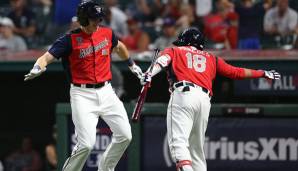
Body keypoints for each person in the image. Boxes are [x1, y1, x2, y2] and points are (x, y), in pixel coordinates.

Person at [24, 1, 143, 171]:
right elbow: (45, 58)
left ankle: (105, 168)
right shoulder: (69, 40)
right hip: (82, 94)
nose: (97, 22)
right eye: (94, 19)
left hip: (107, 91)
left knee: (125, 135)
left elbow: (119, 47)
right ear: (83, 19)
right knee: (86, 144)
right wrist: (38, 67)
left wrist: (132, 65)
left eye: (99, 19)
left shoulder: (107, 34)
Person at [140, 27, 281, 171]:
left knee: (178, 143)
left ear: (186, 41)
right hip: (204, 100)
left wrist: (149, 74)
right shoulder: (212, 58)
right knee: (196, 150)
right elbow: (236, 72)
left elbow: (162, 61)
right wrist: (262, 73)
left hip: (183, 94)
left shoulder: (174, 50)